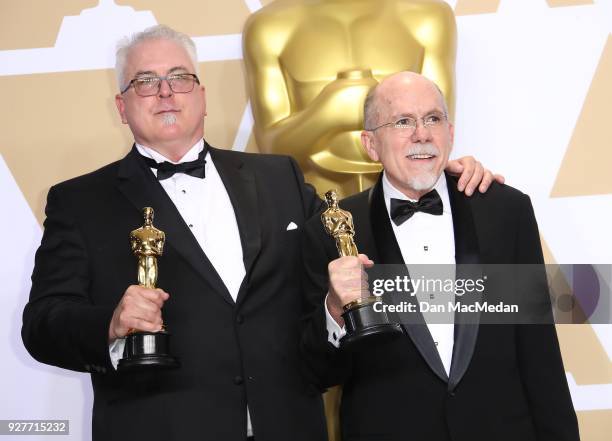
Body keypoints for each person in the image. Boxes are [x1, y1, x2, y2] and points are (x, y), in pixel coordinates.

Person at [22, 25, 499, 441]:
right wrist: (110, 323)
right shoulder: (80, 201)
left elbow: (354, 235)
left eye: (180, 78)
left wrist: (431, 176)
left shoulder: (279, 178)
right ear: (122, 106)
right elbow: (42, 323)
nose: (166, 93)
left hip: (290, 428)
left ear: (202, 95)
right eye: (146, 82)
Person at [299, 72, 580, 441]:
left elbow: (539, 354)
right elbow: (316, 373)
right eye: (402, 122)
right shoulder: (331, 232)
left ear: (450, 132)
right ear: (370, 144)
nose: (422, 134)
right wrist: (334, 312)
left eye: (432, 119)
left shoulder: (505, 211)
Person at [243, 0, 457, 195]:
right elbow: (272, 149)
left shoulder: (429, 19)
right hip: (315, 206)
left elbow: (438, 135)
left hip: (411, 200)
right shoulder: (269, 27)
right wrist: (329, 112)